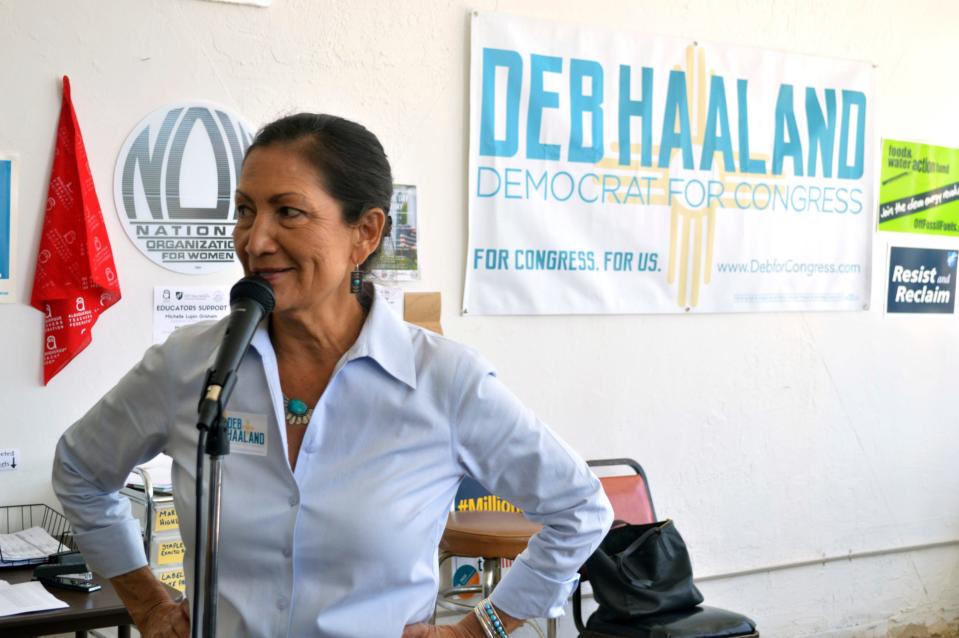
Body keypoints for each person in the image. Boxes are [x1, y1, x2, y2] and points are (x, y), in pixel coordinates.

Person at [52, 113, 613, 638]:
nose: (255, 240)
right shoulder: (193, 365)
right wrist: (147, 601)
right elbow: (80, 469)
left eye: (287, 212)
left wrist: (480, 628)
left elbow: (580, 510)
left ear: (365, 233)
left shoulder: (444, 381)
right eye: (245, 210)